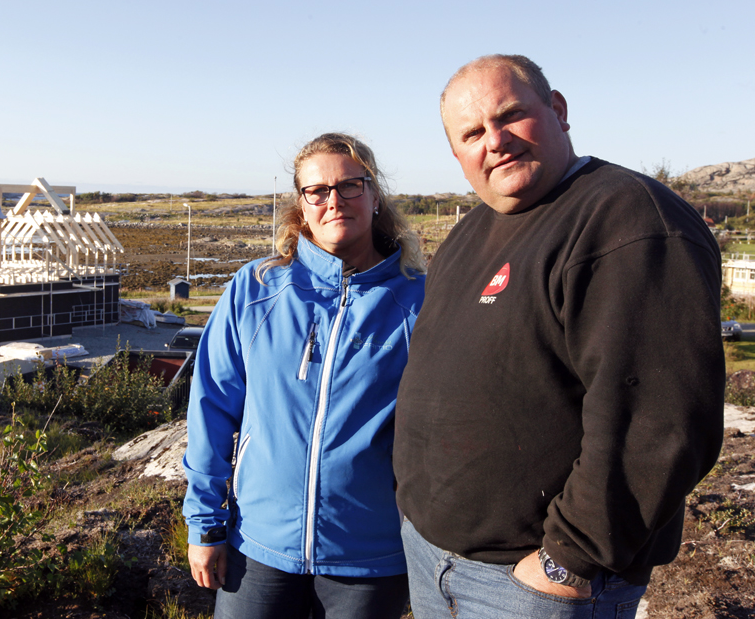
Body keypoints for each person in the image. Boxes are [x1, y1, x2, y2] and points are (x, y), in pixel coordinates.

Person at [392, 54, 725, 618]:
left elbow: (659, 420)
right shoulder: (471, 230)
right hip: (432, 561)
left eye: (511, 115)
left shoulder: (627, 220)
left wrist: (569, 559)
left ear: (558, 111)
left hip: (529, 586)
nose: (494, 141)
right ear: (457, 154)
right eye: (472, 132)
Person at [183, 132, 427, 619]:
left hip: (370, 560)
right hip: (259, 547)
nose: (334, 200)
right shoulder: (255, 290)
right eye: (317, 190)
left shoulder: (419, 302)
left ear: (375, 196)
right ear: (302, 204)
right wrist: (205, 526)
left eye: (351, 186)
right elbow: (211, 409)